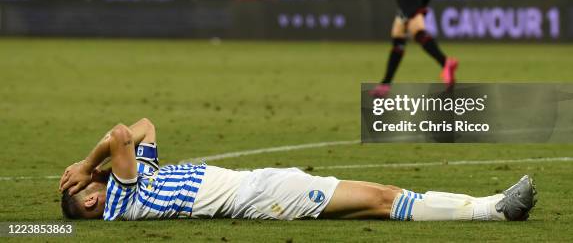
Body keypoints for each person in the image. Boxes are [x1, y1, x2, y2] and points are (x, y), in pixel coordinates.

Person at [59, 118, 536, 222]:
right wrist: (87, 163)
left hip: (265, 188)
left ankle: (490, 207)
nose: (93, 180)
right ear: (92, 199)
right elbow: (122, 133)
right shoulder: (120, 198)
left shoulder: (138, 182)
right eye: (88, 185)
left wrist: (90, 167)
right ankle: (493, 208)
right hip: (264, 196)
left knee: (384, 199)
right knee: (384, 198)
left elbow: (145, 126)